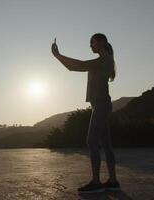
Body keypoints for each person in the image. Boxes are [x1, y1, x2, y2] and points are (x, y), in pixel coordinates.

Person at [51, 33, 120, 193]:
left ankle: (96, 183)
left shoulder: (103, 60)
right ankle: (113, 181)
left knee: (91, 141)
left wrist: (58, 56)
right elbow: (78, 66)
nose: (90, 45)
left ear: (101, 42)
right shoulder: (105, 60)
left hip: (101, 105)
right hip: (100, 105)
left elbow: (77, 66)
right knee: (106, 145)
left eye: (92, 42)